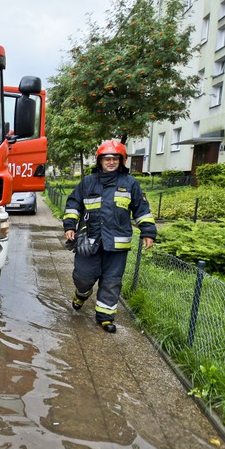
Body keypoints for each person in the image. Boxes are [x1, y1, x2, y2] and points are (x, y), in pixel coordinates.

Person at [62, 140, 157, 333]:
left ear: (122, 161)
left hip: (117, 244)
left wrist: (148, 232)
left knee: (112, 280)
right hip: (89, 241)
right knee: (83, 276)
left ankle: (105, 317)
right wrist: (70, 225)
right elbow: (73, 204)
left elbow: (142, 210)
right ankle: (82, 294)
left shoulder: (130, 184)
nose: (111, 162)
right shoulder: (88, 182)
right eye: (107, 159)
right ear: (100, 161)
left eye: (115, 159)